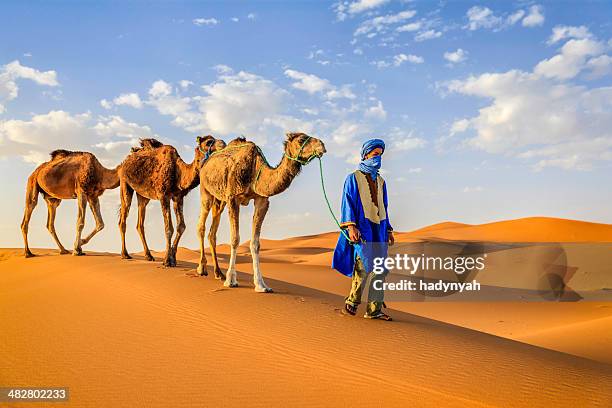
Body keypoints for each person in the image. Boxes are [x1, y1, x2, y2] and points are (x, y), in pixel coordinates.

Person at [332, 138, 394, 321]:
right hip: (362, 227)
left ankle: (374, 310)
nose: (378, 159)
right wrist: (351, 226)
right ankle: (352, 302)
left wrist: (389, 230)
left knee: (380, 269)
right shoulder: (353, 178)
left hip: (380, 228)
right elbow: (347, 202)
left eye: (380, 156)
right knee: (363, 264)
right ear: (366, 155)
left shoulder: (382, 181)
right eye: (375, 155)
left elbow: (384, 206)